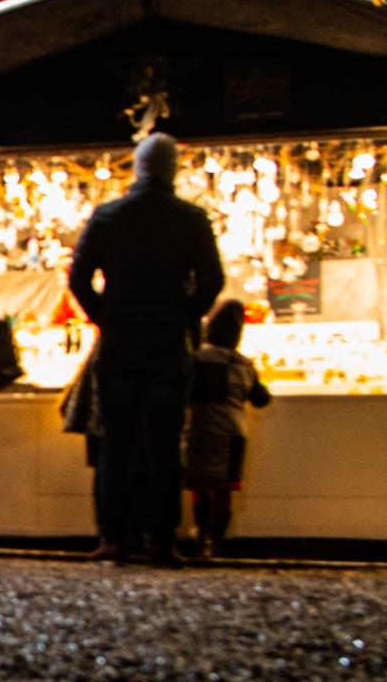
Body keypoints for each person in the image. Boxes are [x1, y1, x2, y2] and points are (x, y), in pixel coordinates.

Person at [66, 132, 224, 566]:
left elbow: (78, 278)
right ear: (173, 170)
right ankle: (161, 539)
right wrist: (185, 316)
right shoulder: (191, 219)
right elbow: (213, 280)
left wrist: (105, 316)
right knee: (165, 444)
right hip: (168, 344)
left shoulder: (108, 217)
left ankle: (113, 537)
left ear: (136, 168)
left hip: (119, 344)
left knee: (116, 442)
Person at [183, 298, 272, 557]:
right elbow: (261, 399)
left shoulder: (196, 358)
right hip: (233, 433)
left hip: (197, 428)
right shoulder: (243, 364)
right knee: (224, 490)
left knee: (199, 485)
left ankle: (200, 535)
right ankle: (218, 541)